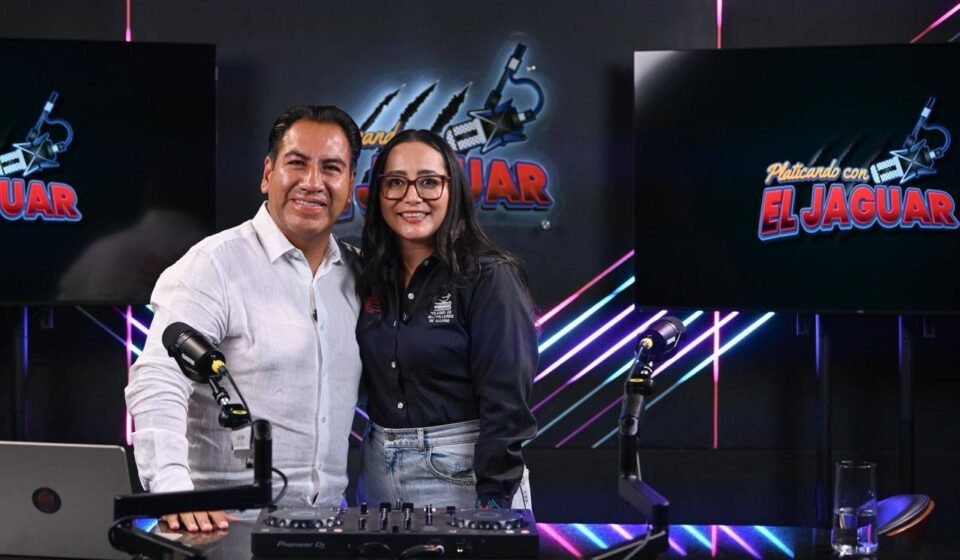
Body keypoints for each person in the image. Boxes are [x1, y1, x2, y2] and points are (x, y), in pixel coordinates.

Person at [125, 105, 363, 532]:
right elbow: (159, 378)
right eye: (297, 163)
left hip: (329, 524)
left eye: (331, 168)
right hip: (227, 526)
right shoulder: (213, 265)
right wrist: (172, 488)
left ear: (349, 186)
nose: (313, 182)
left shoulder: (358, 272)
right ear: (268, 174)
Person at [356, 129, 537, 510]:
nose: (411, 197)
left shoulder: (489, 276)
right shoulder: (369, 275)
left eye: (428, 182)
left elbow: (507, 400)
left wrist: (494, 499)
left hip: (464, 477)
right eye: (395, 183)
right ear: (379, 193)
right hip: (376, 474)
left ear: (453, 190)